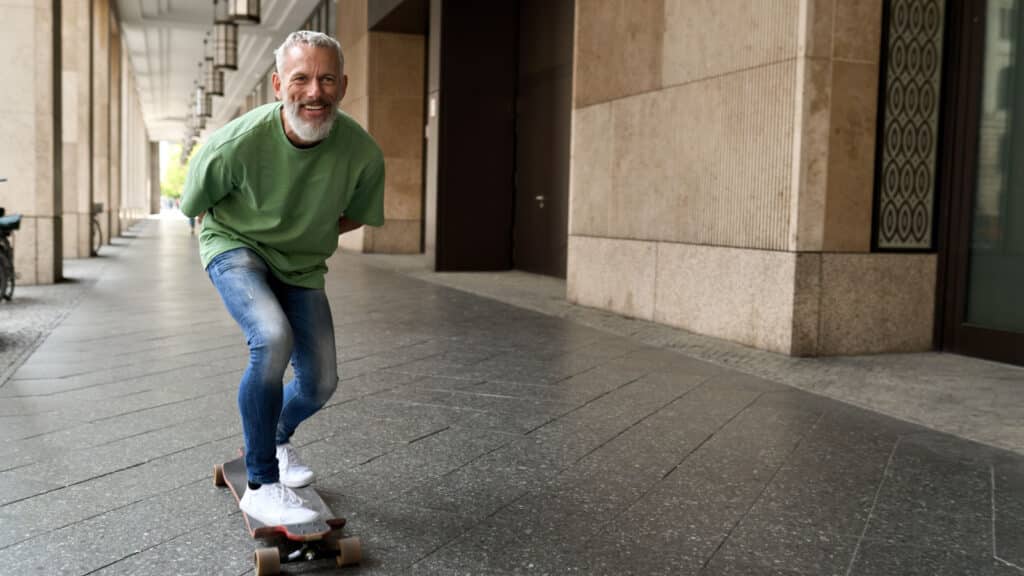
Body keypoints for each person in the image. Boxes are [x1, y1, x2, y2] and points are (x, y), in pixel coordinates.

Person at [180, 31, 384, 526]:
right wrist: (246, 241)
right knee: (271, 338)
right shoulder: (234, 144)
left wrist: (302, 231)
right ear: (278, 85)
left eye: (327, 79)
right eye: (301, 78)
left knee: (320, 382)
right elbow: (195, 208)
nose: (314, 91)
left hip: (302, 263)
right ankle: (261, 483)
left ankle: (275, 436)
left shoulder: (361, 152)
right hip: (235, 247)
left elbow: (355, 215)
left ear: (343, 86)